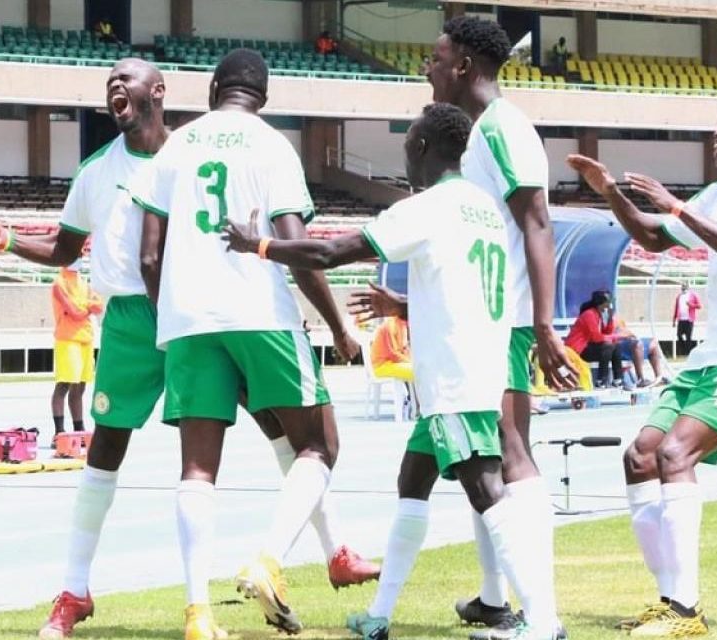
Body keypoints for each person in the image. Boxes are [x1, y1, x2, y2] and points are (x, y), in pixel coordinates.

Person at [224, 101, 565, 640]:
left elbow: (332, 252)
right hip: (471, 368)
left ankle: (542, 623)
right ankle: (379, 616)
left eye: (407, 144)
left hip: (455, 380)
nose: (405, 155)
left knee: (486, 491)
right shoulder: (483, 208)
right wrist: (403, 306)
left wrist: (259, 245)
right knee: (412, 479)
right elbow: (461, 288)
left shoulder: (428, 207)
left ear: (422, 147)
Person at [131, 49, 375, 639]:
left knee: (196, 469)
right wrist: (338, 325)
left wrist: (172, 319)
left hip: (189, 320)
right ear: (263, 97)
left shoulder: (176, 147)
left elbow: (149, 256)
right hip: (259, 313)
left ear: (214, 87)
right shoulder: (272, 145)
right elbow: (297, 248)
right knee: (319, 444)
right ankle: (269, 561)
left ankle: (198, 614)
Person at [568, 92, 717, 636]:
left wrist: (676, 206)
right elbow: (653, 237)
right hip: (710, 358)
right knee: (640, 457)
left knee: (675, 454)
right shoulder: (716, 195)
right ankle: (669, 599)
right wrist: (610, 192)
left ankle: (685, 609)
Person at [0, 58, 185, 640]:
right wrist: (7, 239)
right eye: (109, 80)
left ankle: (329, 549)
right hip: (128, 322)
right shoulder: (95, 170)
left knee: (265, 418)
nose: (115, 85)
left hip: (190, 313)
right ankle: (74, 590)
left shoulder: (190, 158)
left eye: (126, 78)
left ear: (157, 91)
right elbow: (65, 251)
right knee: (105, 451)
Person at [424, 18, 576, 638]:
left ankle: (543, 617)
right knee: (483, 461)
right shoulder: (478, 132)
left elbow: (537, 222)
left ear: (463, 65)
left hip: (506, 321)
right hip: (481, 321)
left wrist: (542, 324)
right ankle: (497, 600)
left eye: (436, 59)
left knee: (512, 456)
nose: (427, 70)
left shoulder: (503, 128)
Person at [50, 260, 104, 442]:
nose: (79, 259)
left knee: (80, 386)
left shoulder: (83, 282)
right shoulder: (59, 283)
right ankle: (59, 431)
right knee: (64, 384)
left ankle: (79, 429)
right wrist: (87, 306)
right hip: (67, 338)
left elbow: (99, 306)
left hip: (86, 338)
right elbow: (74, 312)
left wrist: (83, 306)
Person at [565, 290, 624, 388]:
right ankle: (601, 380)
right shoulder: (589, 314)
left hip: (588, 347)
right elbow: (596, 337)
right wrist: (618, 336)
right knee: (608, 346)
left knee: (615, 346)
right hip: (578, 350)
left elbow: (606, 334)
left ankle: (618, 380)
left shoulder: (598, 314)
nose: (610, 304)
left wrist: (610, 318)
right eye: (608, 301)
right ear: (601, 303)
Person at [612, 310, 665, 386]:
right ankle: (640, 379)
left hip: (627, 341)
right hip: (616, 345)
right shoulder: (603, 318)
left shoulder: (616, 317)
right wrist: (624, 335)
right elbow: (607, 335)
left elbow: (626, 330)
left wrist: (630, 335)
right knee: (637, 344)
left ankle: (659, 378)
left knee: (653, 343)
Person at [370, 316, 413, 382]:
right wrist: (409, 361)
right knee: (415, 372)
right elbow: (393, 353)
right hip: (382, 365)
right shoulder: (391, 325)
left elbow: (404, 348)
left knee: (419, 369)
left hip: (394, 362)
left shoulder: (402, 324)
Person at [672, 282, 702, 356]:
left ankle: (688, 353)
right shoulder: (679, 296)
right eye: (682, 287)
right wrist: (674, 320)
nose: (683, 288)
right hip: (681, 319)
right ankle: (684, 349)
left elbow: (699, 306)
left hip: (689, 320)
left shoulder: (693, 295)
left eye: (685, 287)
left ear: (688, 288)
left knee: (688, 337)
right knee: (679, 335)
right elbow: (676, 308)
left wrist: (690, 305)